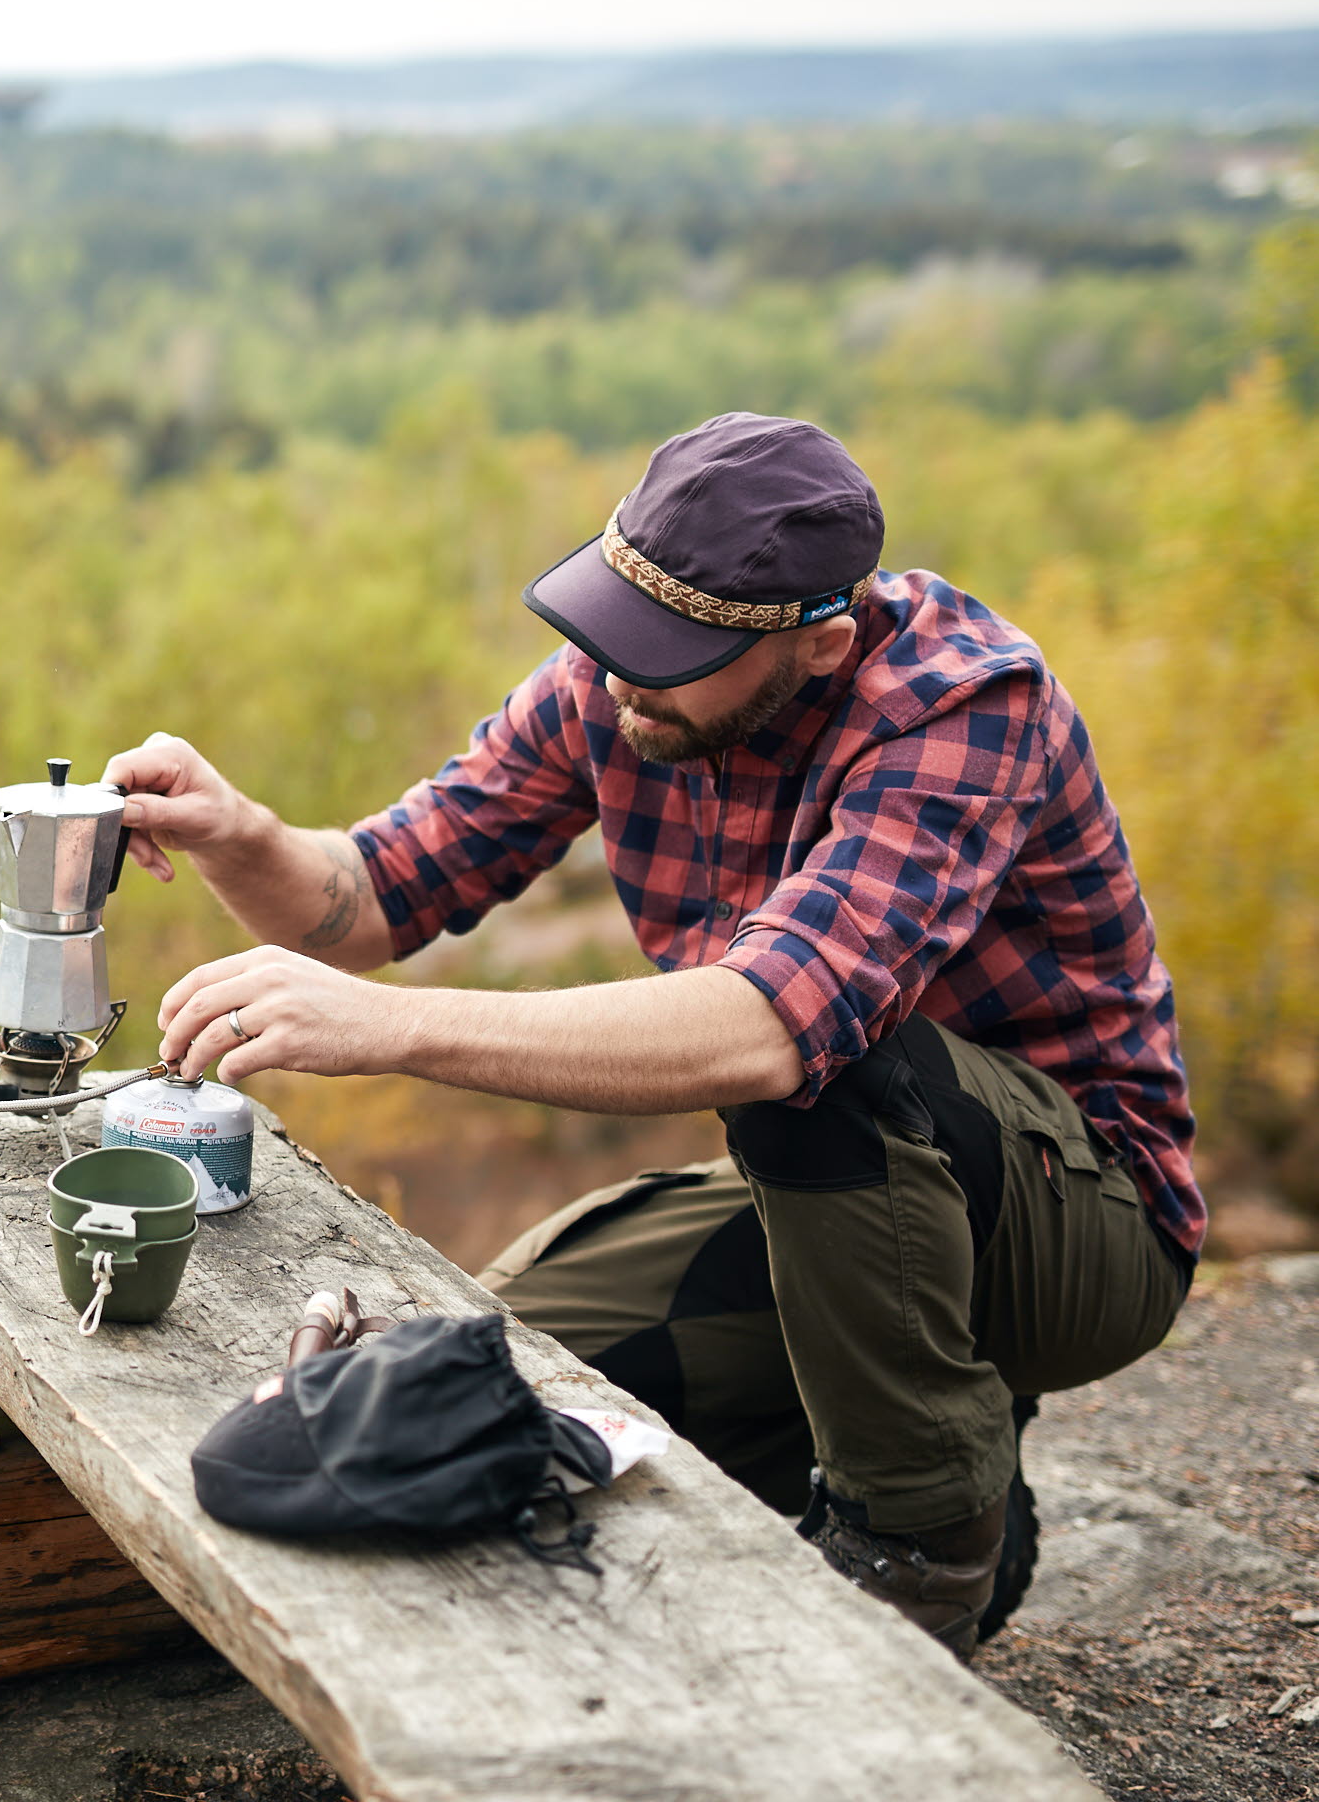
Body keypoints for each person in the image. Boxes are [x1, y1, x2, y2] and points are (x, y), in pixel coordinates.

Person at [103, 410, 1201, 1660]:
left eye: (671, 652)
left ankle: (921, 1548)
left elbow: (772, 1027)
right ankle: (936, 1472)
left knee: (823, 1066)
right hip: (847, 1209)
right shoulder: (627, 677)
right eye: (616, 629)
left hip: (1076, 1228)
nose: (621, 672)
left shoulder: (962, 708)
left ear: (823, 644)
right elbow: (375, 894)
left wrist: (392, 1028)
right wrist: (238, 831)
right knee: (492, 1375)